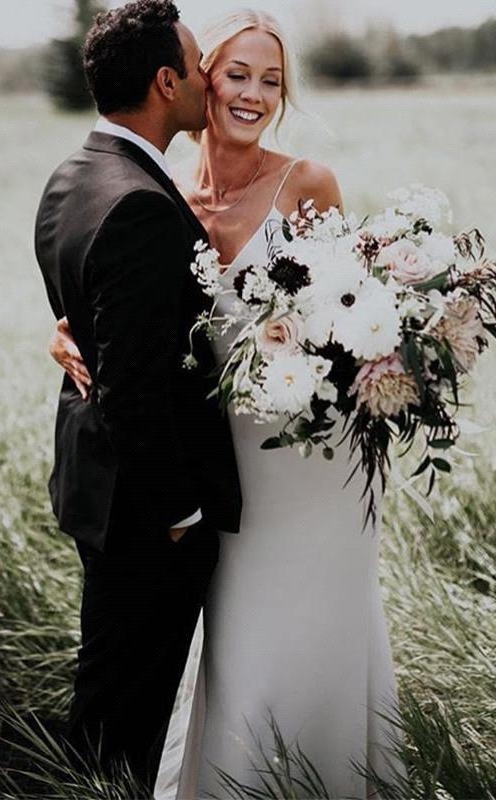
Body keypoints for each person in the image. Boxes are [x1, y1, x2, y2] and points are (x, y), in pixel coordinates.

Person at [50, 8, 405, 799]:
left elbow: (355, 318)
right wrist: (64, 332)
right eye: (237, 74)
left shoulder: (306, 183)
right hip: (204, 461)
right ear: (197, 80)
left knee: (306, 615)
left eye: (270, 81)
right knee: (230, 633)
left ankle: (331, 773)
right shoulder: (161, 191)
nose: (252, 93)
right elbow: (127, 305)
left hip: (301, 459)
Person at [34, 0, 241, 791]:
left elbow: (84, 321)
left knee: (106, 688)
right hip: (146, 519)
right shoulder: (144, 209)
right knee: (127, 718)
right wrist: (182, 516)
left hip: (95, 489)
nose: (206, 84)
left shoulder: (73, 177)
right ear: (165, 82)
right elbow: (134, 391)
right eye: (196, 69)